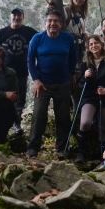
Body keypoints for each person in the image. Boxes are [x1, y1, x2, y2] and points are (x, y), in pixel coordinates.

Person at [26, 10, 77, 159]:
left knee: (63, 117)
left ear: (60, 24)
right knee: (39, 115)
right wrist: (36, 80)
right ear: (45, 23)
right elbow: (30, 60)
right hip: (43, 84)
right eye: (50, 21)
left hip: (62, 83)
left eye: (56, 21)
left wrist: (71, 73)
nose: (52, 23)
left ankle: (62, 148)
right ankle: (33, 147)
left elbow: (73, 57)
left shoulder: (67, 38)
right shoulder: (37, 38)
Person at [75, 34, 105, 164]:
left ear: (101, 44)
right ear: (88, 48)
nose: (94, 46)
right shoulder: (85, 63)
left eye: (96, 43)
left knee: (103, 127)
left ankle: (103, 155)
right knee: (85, 123)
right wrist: (85, 77)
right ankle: (82, 152)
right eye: (91, 44)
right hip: (89, 97)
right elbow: (80, 84)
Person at [0, 7, 37, 133]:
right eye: (14, 15)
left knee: (19, 99)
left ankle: (16, 123)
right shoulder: (2, 32)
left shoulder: (29, 32)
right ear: (10, 16)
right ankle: (2, 123)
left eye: (19, 15)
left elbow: (44, 36)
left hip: (22, 71)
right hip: (4, 72)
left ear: (23, 17)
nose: (16, 17)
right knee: (3, 97)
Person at [46, 0, 89, 70]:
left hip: (79, 47)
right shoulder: (65, 11)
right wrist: (50, 9)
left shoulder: (81, 15)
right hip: (67, 46)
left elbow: (82, 32)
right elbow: (54, 21)